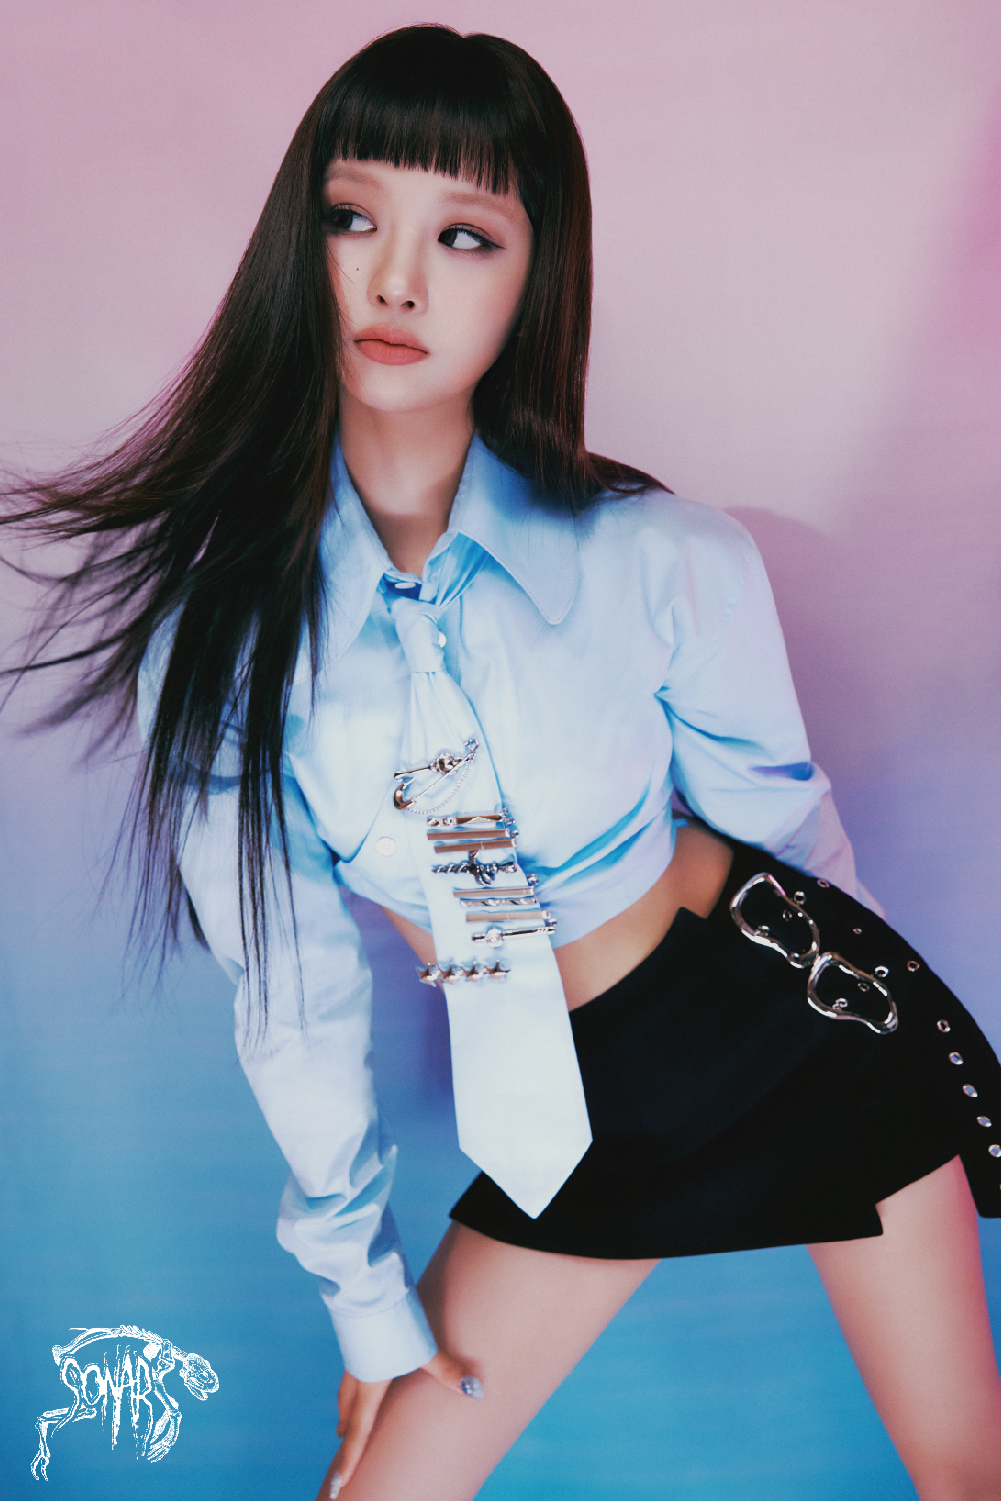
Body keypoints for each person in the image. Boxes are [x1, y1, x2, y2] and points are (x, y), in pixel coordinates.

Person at [6, 24, 1001, 1501]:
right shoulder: (225, 647)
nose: (398, 280)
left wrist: (901, 1042)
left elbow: (794, 839)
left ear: (536, 277)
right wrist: (365, 1299)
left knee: (967, 1473)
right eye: (355, 217)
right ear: (298, 243)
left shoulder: (664, 557)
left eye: (465, 234)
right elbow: (292, 995)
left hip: (795, 1016)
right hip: (563, 1111)